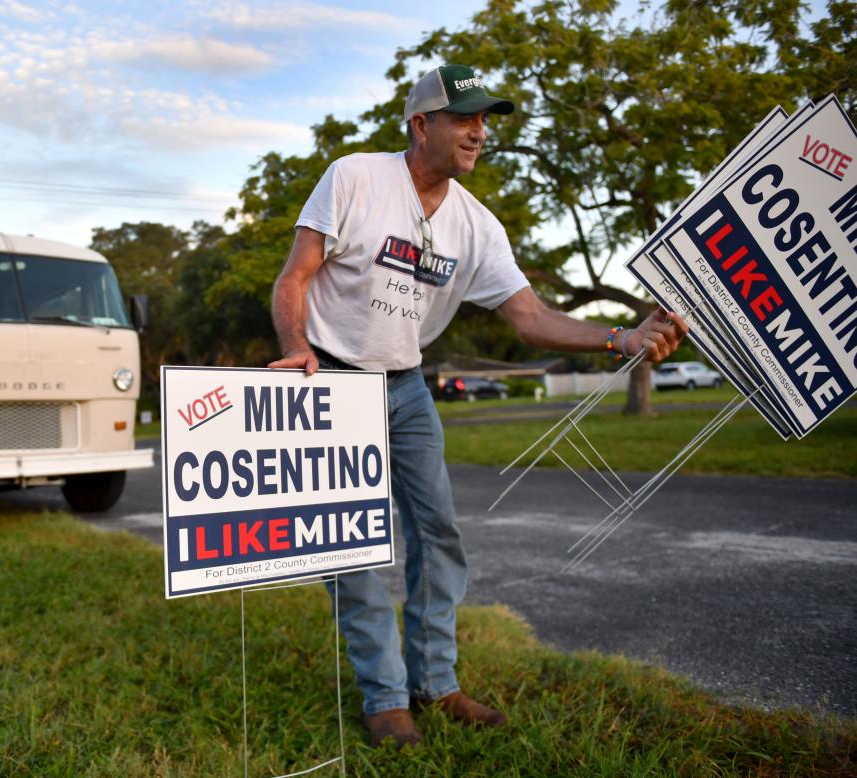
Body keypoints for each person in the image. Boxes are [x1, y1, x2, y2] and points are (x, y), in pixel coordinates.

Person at [268, 64, 687, 748]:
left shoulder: (477, 225)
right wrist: (294, 346)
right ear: (420, 124)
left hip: (406, 387)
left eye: (485, 120)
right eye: (465, 118)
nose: (479, 131)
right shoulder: (354, 177)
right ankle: (385, 698)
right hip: (334, 381)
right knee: (352, 546)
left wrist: (621, 336)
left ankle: (436, 681)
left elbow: (530, 317)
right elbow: (297, 275)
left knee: (437, 533)